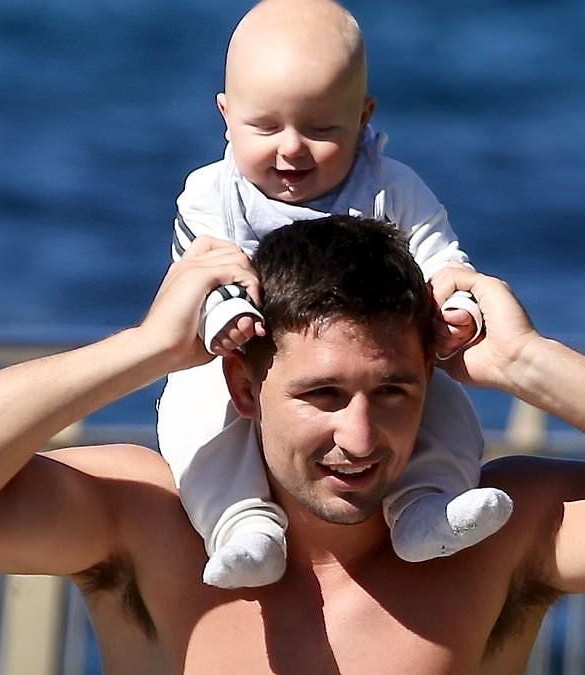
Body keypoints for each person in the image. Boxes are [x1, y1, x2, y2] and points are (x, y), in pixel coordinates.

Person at [0, 215, 585, 675]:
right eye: (321, 394)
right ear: (240, 384)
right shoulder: (147, 524)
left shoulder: (496, 536)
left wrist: (536, 365)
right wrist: (144, 349)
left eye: (394, 392)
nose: (360, 436)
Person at [160, 0, 511, 589]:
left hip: (368, 360)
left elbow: (442, 259)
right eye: (265, 127)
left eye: (322, 129)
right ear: (226, 115)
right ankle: (240, 525)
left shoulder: (390, 185)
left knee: (440, 399)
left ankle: (427, 506)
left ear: (364, 116)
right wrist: (224, 315)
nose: (292, 149)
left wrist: (455, 310)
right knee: (194, 411)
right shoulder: (212, 193)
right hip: (242, 355)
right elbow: (203, 269)